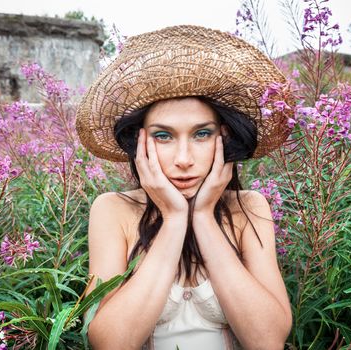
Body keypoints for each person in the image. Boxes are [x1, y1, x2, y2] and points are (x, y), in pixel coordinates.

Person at [76, 25, 292, 350]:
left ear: (225, 137)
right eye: (163, 136)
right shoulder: (113, 209)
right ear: (140, 143)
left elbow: (268, 341)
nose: (183, 159)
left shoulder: (249, 207)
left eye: (201, 134)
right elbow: (109, 342)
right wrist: (175, 218)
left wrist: (204, 216)